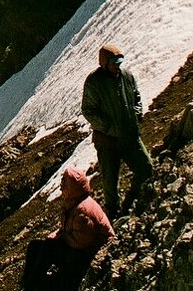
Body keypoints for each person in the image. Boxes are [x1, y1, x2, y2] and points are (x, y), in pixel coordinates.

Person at [81, 44, 154, 219]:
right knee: (110, 183)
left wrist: (136, 115)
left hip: (130, 136)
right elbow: (88, 110)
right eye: (113, 62)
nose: (117, 65)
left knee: (146, 168)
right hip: (108, 142)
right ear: (104, 63)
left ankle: (131, 202)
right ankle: (114, 215)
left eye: (118, 62)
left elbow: (136, 97)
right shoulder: (94, 82)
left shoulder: (127, 76)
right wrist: (108, 127)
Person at [20, 167, 115, 290]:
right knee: (34, 246)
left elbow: (81, 242)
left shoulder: (83, 212)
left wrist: (59, 238)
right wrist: (58, 235)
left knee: (48, 248)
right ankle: (30, 283)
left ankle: (32, 285)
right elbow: (69, 229)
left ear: (72, 188)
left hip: (89, 254)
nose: (61, 187)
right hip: (81, 249)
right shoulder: (75, 202)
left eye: (64, 184)